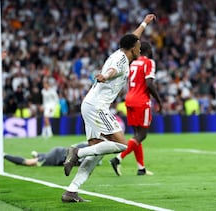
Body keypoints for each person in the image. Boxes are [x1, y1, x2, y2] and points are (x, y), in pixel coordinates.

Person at [61, 14, 156, 203]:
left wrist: (145, 23)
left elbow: (133, 36)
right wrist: (105, 76)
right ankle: (76, 152)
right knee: (120, 144)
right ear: (132, 48)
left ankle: (71, 191)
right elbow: (112, 71)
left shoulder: (120, 52)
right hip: (97, 107)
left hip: (89, 104)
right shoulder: (121, 60)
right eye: (138, 46)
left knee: (96, 152)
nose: (140, 48)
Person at [109, 42, 162, 176]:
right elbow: (149, 83)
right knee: (142, 135)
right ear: (148, 50)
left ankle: (141, 168)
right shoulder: (149, 62)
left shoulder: (133, 63)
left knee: (136, 135)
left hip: (130, 99)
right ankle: (118, 158)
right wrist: (159, 100)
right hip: (141, 101)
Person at [4, 142, 91, 167]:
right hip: (56, 157)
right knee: (28, 163)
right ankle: (4, 155)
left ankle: (38, 155)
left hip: (59, 151)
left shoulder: (85, 144)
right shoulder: (89, 150)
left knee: (44, 157)